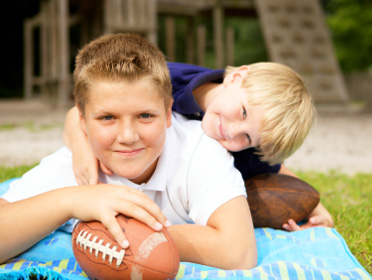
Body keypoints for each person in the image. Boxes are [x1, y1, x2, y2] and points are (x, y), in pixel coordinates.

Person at [0, 33, 257, 269]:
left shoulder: (198, 149)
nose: (127, 137)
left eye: (145, 116)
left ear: (168, 113)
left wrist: (132, 235)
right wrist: (71, 201)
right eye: (107, 118)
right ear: (82, 121)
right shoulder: (72, 166)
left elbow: (240, 252)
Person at [64, 61, 334, 231]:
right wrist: (81, 147)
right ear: (236, 77)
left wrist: (317, 209)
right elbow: (80, 112)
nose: (232, 131)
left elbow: (277, 170)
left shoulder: (244, 151)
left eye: (248, 137)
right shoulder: (166, 78)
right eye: (242, 113)